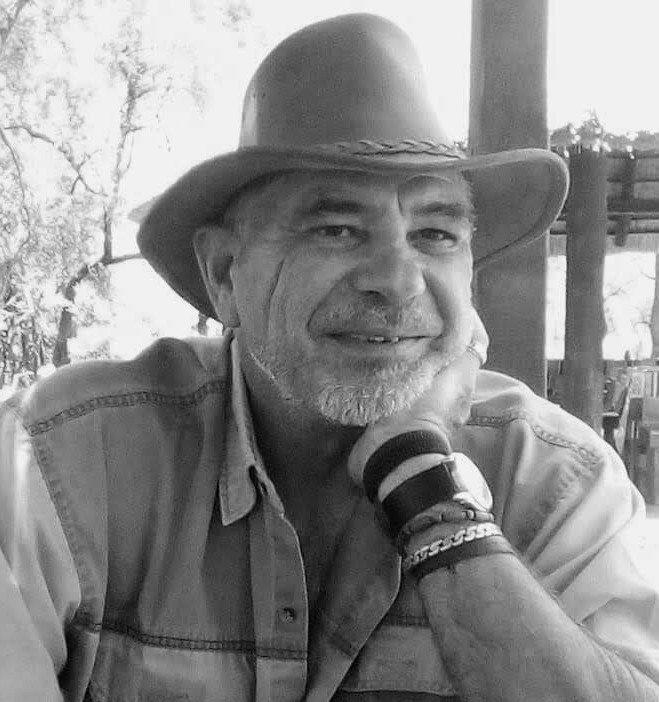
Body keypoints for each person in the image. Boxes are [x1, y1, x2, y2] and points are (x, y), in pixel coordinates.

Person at [1, 12, 658, 702]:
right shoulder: (64, 463)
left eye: (435, 234)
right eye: (336, 229)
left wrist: (423, 480)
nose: (397, 281)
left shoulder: (553, 481)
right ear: (224, 273)